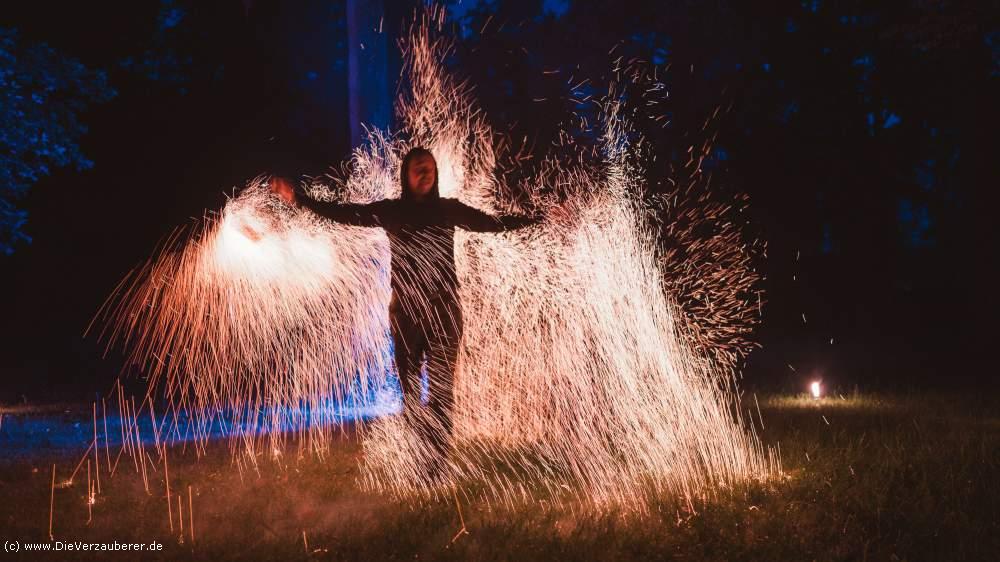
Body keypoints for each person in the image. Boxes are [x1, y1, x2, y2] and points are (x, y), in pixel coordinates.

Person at [270, 147, 542, 459]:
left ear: (436, 173)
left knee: (441, 391)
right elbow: (346, 214)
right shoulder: (392, 212)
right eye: (418, 168)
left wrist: (538, 218)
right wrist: (298, 199)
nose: (425, 173)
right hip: (406, 317)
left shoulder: (448, 210)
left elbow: (492, 223)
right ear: (406, 175)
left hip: (444, 315)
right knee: (410, 392)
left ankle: (437, 462)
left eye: (429, 168)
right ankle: (416, 456)